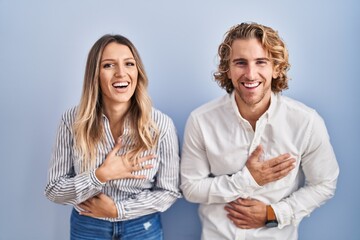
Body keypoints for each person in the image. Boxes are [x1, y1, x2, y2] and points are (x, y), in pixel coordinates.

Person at [180, 22, 339, 240]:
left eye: (261, 62)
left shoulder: (306, 122)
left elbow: (324, 183)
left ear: (276, 68)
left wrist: (274, 214)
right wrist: (248, 180)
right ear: (228, 69)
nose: (250, 73)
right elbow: (190, 187)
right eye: (240, 63)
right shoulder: (201, 120)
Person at [45, 34, 181, 240]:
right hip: (88, 226)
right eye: (109, 65)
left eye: (129, 64)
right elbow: (54, 190)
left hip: (141, 227)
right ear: (95, 74)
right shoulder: (72, 121)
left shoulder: (161, 125)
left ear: (138, 72)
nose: (121, 73)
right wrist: (100, 175)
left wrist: (118, 210)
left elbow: (169, 192)